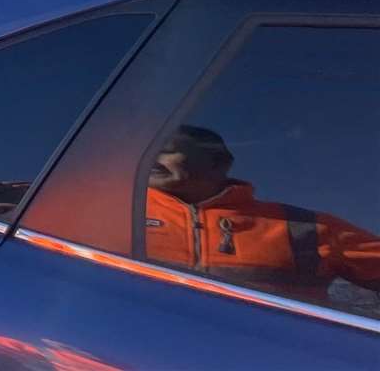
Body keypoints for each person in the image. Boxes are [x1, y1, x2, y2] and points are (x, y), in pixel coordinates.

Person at [145, 125, 380, 305]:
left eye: (165, 151)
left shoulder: (304, 227)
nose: (150, 158)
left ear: (218, 164)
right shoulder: (120, 207)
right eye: (147, 149)